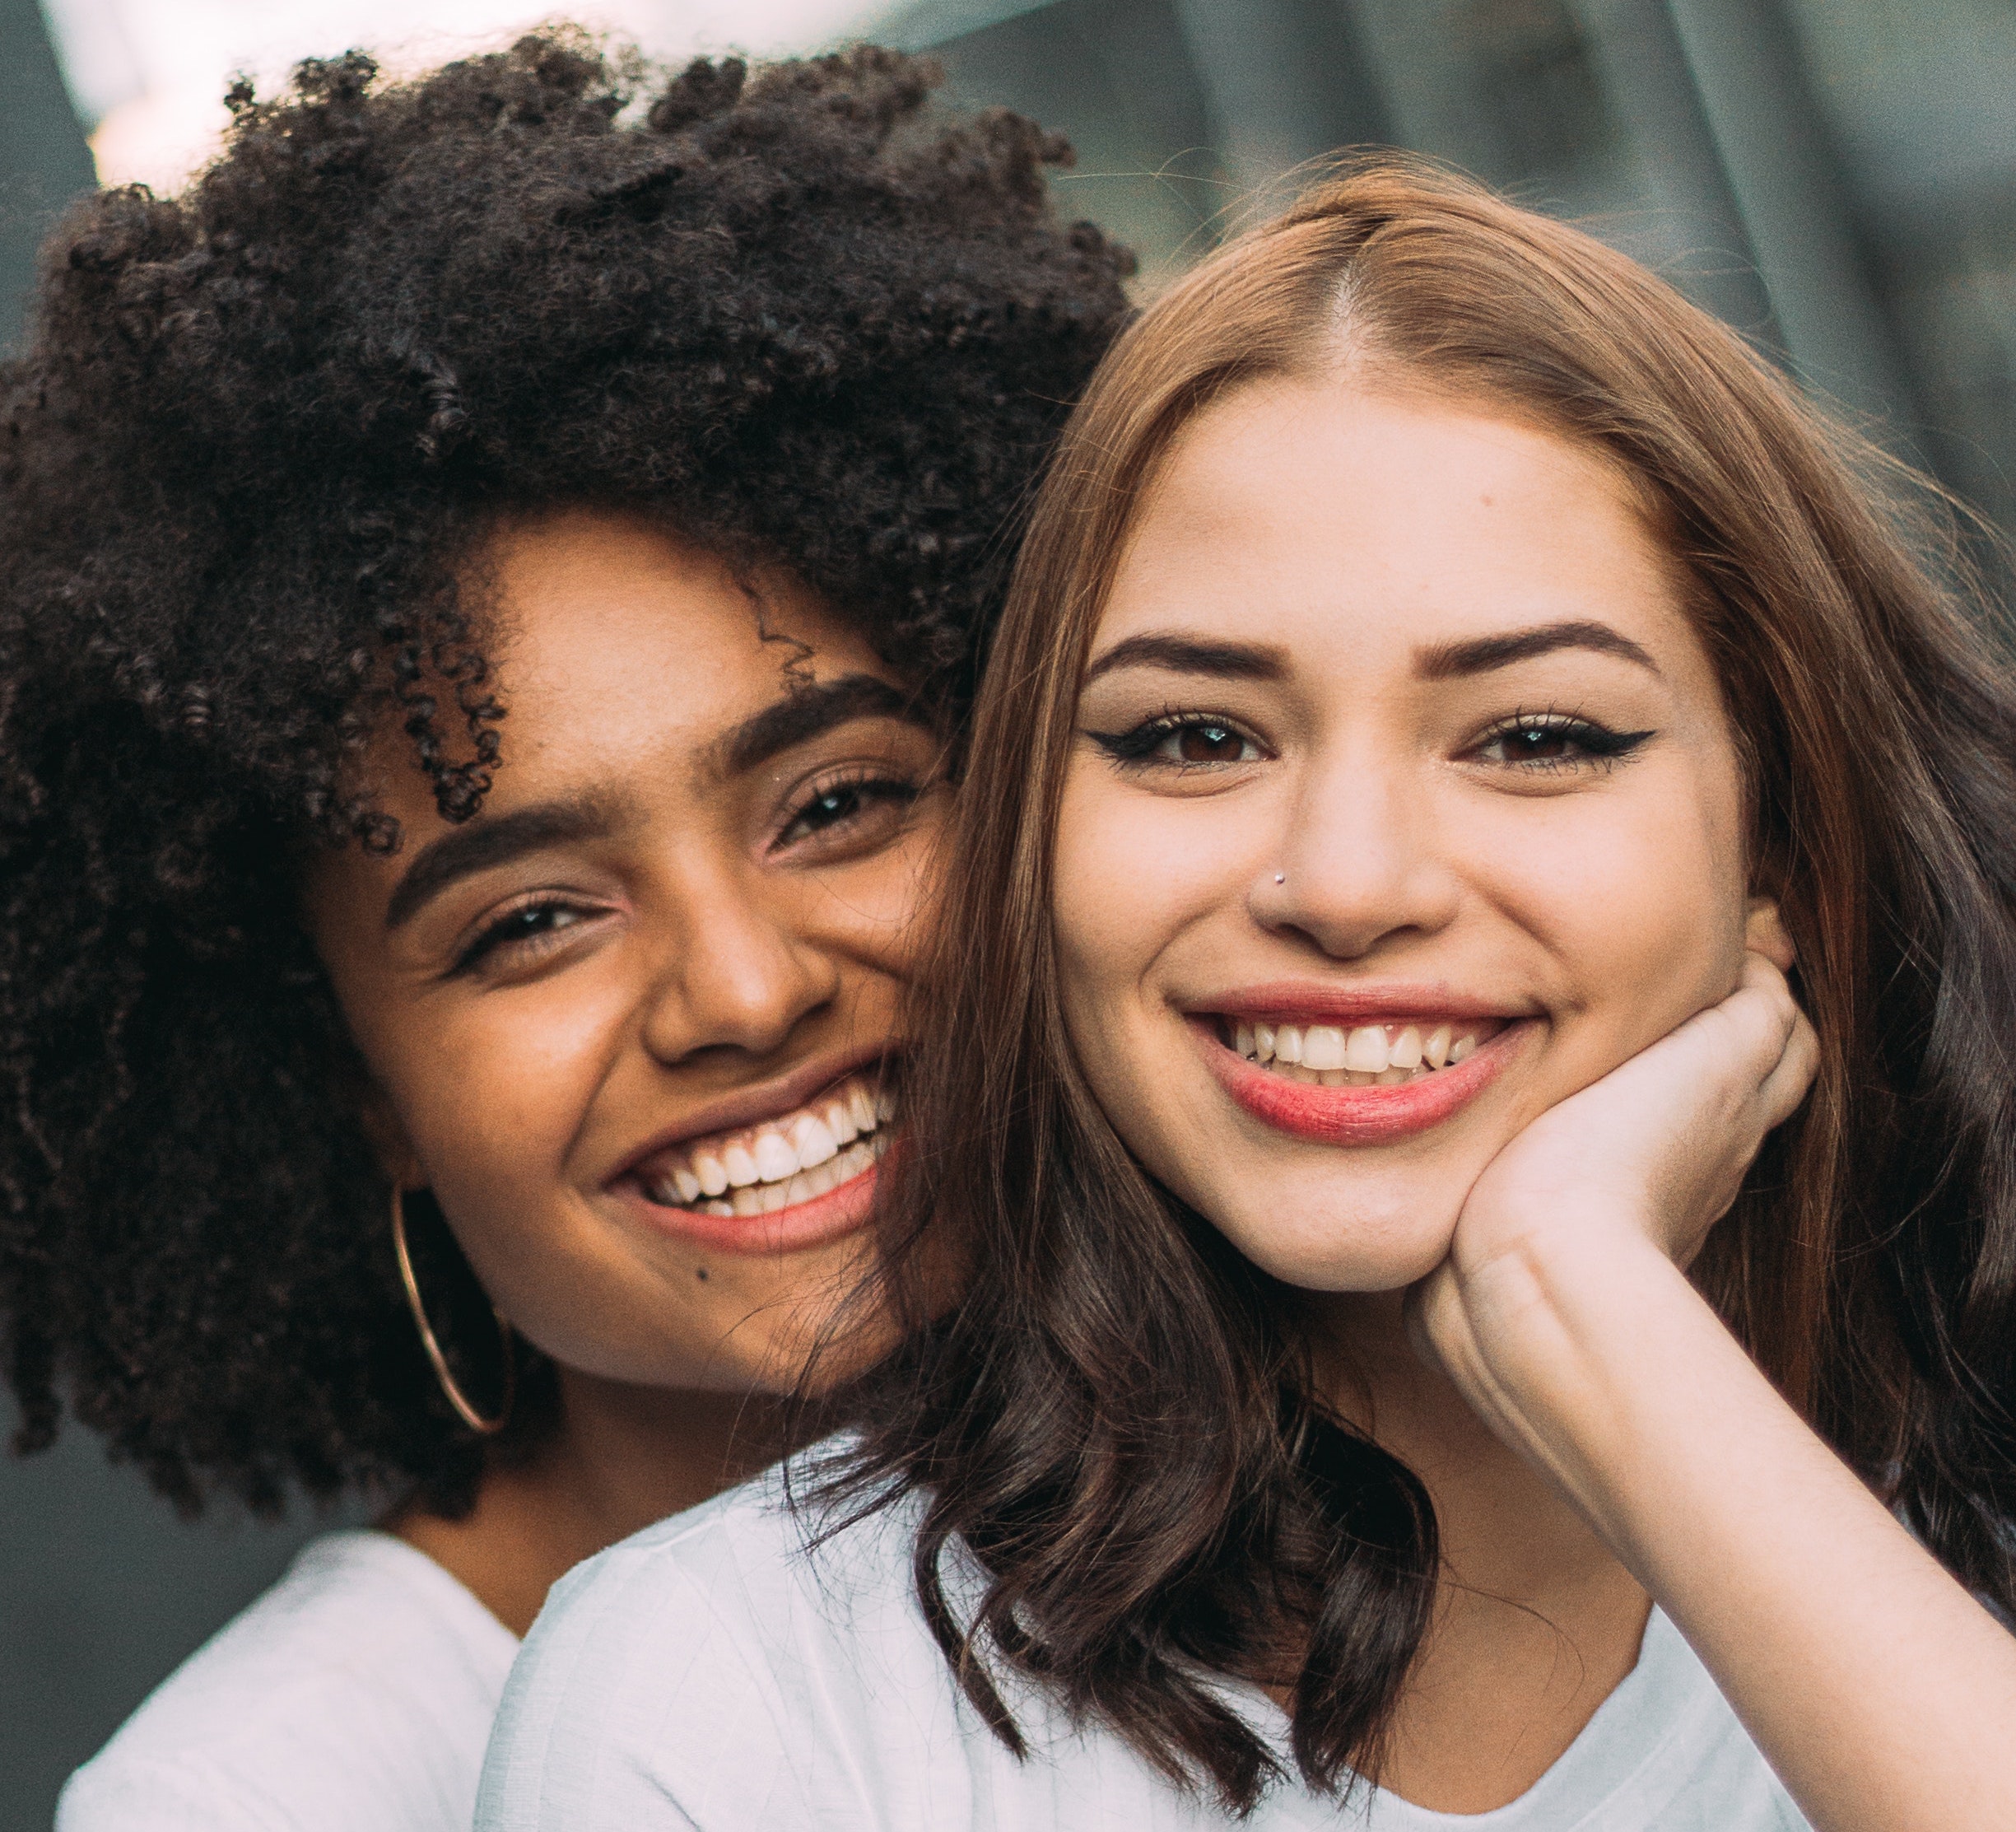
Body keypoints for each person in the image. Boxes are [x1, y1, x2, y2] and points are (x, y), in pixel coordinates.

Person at [478, 162, 2016, 1831]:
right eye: (1191, 737)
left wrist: (1593, 1313)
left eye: (1535, 736)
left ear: (1778, 840)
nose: (1346, 883)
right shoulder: (728, 1704)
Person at [0, 30, 1130, 1832]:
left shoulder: (1352, 1473)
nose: (744, 989)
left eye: (836, 804)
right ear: (348, 1073)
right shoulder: (269, 1802)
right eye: (530, 922)